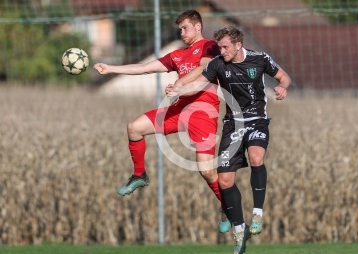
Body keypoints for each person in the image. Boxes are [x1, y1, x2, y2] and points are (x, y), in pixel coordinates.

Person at [93, 10, 231, 233]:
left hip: (202, 114)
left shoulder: (210, 47)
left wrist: (179, 85)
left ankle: (228, 206)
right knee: (134, 128)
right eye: (180, 29)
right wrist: (110, 68)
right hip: (178, 109)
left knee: (206, 171)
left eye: (185, 28)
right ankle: (139, 175)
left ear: (198, 26)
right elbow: (145, 68)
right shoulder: (177, 55)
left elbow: (204, 68)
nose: (182, 32)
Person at [167, 26, 291, 254]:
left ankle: (257, 214)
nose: (221, 50)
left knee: (256, 157)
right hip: (233, 124)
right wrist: (178, 91)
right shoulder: (217, 63)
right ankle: (240, 229)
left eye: (225, 47)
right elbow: (199, 84)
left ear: (238, 46)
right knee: (224, 181)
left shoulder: (260, 59)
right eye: (219, 46)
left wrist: (282, 86)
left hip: (256, 120)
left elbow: (284, 76)